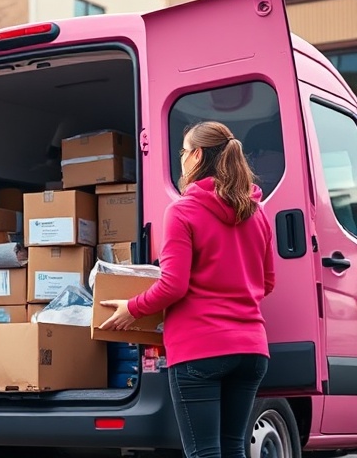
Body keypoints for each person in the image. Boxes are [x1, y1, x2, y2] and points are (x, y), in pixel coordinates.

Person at [100, 121, 275, 458]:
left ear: (196, 156)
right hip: (252, 349)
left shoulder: (183, 211)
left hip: (200, 349)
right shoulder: (257, 212)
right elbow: (267, 282)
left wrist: (131, 308)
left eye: (182, 151)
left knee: (204, 452)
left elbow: (173, 285)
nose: (181, 158)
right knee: (233, 448)